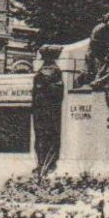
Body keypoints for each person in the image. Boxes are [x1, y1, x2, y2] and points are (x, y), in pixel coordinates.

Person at [31, 46, 64, 177]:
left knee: (49, 136)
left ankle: (48, 163)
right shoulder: (42, 71)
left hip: (50, 111)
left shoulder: (54, 71)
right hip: (40, 110)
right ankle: (42, 163)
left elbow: (57, 91)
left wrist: (45, 85)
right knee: (41, 137)